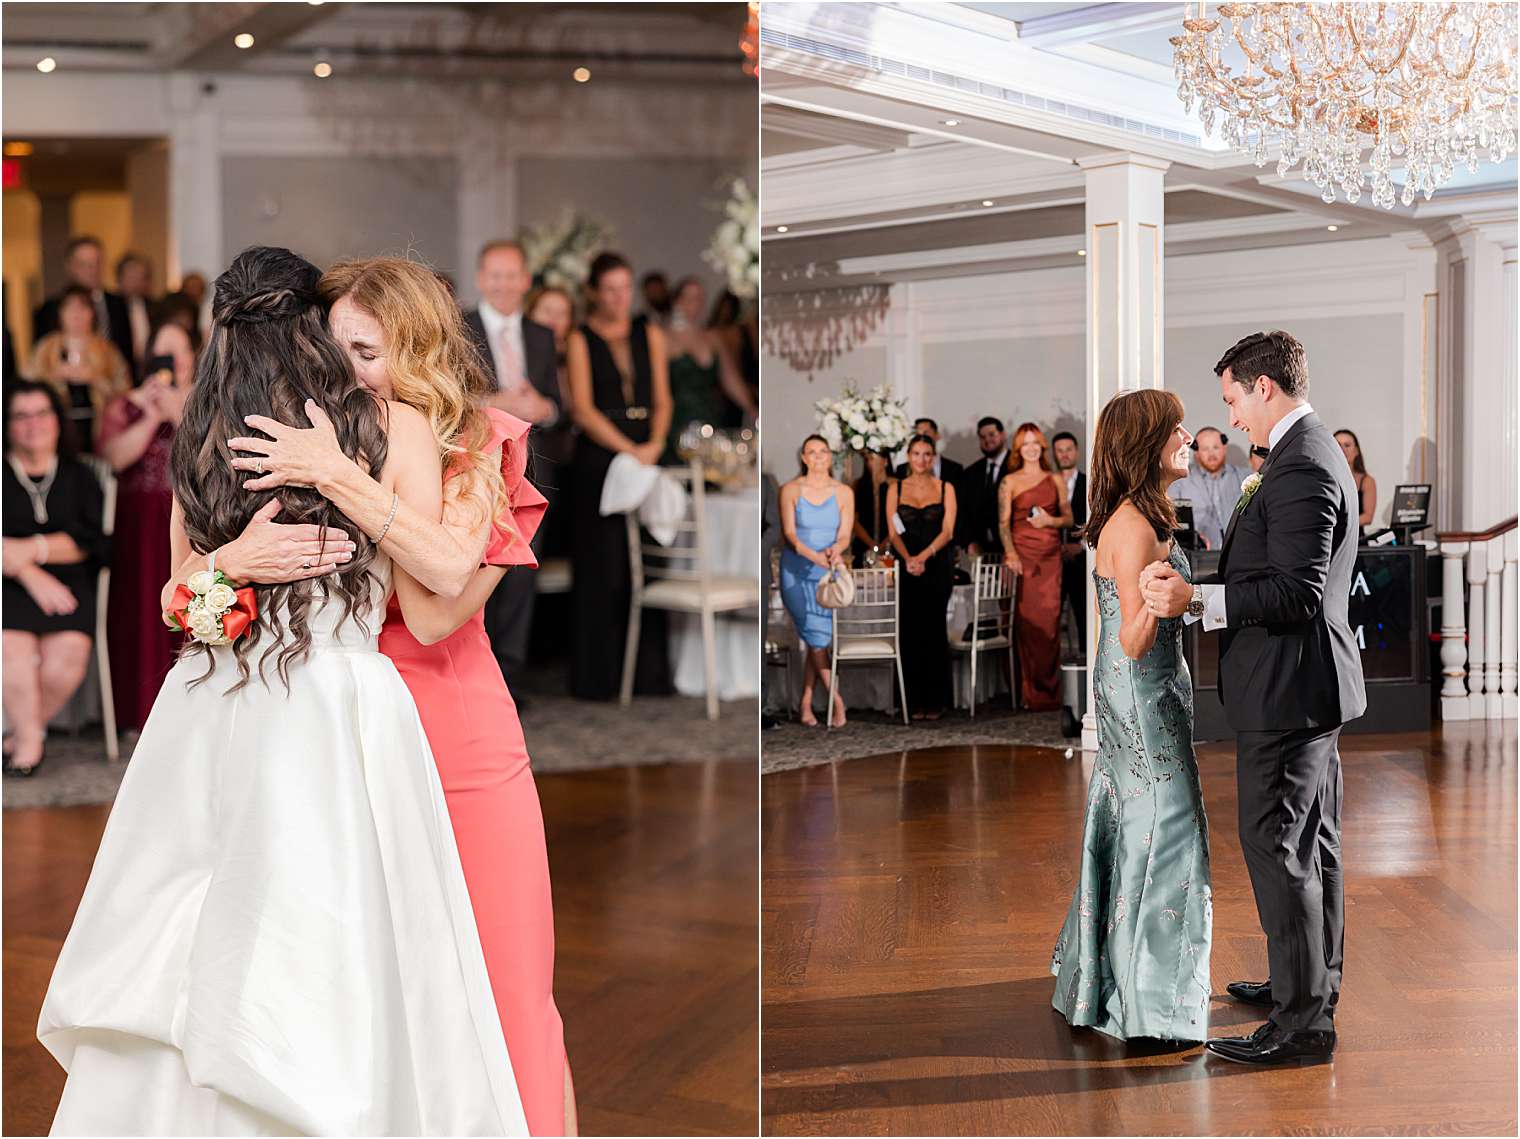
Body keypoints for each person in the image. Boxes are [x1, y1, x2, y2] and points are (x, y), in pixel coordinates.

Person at [37, 247, 532, 1134]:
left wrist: (325, 480)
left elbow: (442, 578)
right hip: (285, 707)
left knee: (242, 934)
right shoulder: (355, 429)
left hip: (257, 710)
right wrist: (233, 561)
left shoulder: (316, 430)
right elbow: (184, 601)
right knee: (310, 941)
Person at [219, 255, 574, 1134]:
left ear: (416, 351)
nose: (346, 373)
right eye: (331, 349)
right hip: (339, 746)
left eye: (367, 352)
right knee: (379, 1001)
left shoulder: (490, 449)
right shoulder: (330, 434)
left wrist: (343, 474)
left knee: (510, 988)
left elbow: (427, 613)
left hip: (458, 745)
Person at [1145, 330, 1366, 1066]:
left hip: (1289, 690)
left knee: (1280, 848)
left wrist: (1196, 600)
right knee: (1311, 845)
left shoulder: (1301, 464)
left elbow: (1298, 591)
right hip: (1302, 687)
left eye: (1233, 398)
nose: (1233, 416)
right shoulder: (1305, 455)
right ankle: (1306, 985)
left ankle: (1303, 1024)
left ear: (1263, 387)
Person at [1051, 388, 1210, 1044]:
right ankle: (1154, 1005)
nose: (1186, 439)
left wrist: (1184, 598)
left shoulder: (1134, 515)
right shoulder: (1138, 526)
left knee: (1133, 816)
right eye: (1175, 430)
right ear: (1147, 445)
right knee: (1168, 828)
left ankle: (1111, 982)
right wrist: (1166, 597)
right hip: (1142, 691)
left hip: (1135, 690)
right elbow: (1132, 637)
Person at [566, 251, 674, 701]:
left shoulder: (648, 332)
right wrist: (627, 449)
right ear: (594, 291)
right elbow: (583, 409)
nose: (619, 297)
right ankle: (599, 678)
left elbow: (664, 399)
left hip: (647, 450)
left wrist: (653, 446)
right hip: (601, 456)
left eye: (625, 287)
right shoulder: (579, 338)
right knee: (604, 567)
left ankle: (650, 676)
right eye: (610, 288)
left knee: (651, 561)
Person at [462, 240, 561, 691]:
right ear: (482, 278)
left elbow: (557, 406)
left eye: (512, 275)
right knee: (475, 567)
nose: (503, 283)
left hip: (532, 468)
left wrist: (544, 407)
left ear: (526, 280)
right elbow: (448, 396)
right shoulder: (459, 327)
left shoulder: (541, 335)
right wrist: (498, 403)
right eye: (495, 275)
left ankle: (512, 678)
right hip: (475, 465)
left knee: (521, 571)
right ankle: (475, 671)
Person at [2, 382, 110, 777]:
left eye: (42, 413)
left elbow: (93, 541)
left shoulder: (79, 475)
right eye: (21, 416)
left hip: (68, 586)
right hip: (7, 589)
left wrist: (28, 551)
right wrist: (30, 575)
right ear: (8, 425)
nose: (34, 424)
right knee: (10, 647)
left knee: (68, 655)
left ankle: (18, 735)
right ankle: (30, 745)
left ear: (57, 420)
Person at [96, 319, 195, 732]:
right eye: (162, 352)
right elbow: (114, 458)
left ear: (191, 358)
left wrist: (179, 412)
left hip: (186, 519)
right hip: (137, 524)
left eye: (179, 353)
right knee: (137, 609)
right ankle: (137, 710)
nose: (170, 362)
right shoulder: (124, 404)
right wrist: (153, 416)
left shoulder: (204, 402)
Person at [998, 423, 1072, 712]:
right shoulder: (1009, 481)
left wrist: (1049, 521)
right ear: (1018, 449)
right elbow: (1003, 524)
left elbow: (1068, 518)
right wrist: (1010, 553)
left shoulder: (1054, 479)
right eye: (1024, 444)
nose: (1030, 448)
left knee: (1050, 623)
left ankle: (1050, 692)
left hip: (1050, 558)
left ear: (1042, 446)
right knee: (1027, 625)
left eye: (1035, 443)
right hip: (1022, 557)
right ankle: (1029, 692)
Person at [779, 435, 852, 727]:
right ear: (804, 458)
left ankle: (805, 703)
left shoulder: (844, 491)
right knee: (816, 637)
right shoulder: (790, 489)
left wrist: (837, 550)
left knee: (816, 639)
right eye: (812, 452)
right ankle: (838, 701)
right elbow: (790, 535)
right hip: (796, 570)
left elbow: (845, 533)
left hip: (826, 573)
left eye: (824, 451)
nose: (819, 456)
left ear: (830, 456)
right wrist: (814, 556)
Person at [888, 433, 958, 720]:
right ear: (908, 456)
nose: (921, 459)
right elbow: (893, 531)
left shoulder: (945, 488)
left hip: (936, 566)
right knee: (909, 631)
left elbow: (948, 530)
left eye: (927, 454)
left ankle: (935, 701)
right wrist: (908, 559)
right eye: (916, 453)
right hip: (907, 568)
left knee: (933, 630)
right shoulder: (896, 488)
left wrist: (924, 556)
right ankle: (911, 699)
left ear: (933, 457)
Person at [662, 276, 756, 463]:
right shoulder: (664, 338)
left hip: (708, 415)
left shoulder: (711, 338)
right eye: (689, 298)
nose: (694, 305)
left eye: (699, 299)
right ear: (677, 301)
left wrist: (751, 408)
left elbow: (730, 379)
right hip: (676, 417)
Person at [28, 284, 131, 454]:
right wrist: (54, 376)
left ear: (92, 313)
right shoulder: (46, 348)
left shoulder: (107, 351)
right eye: (69, 309)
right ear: (60, 314)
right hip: (57, 424)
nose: (76, 315)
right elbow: (28, 385)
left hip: (98, 426)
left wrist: (94, 379)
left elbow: (124, 391)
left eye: (82, 308)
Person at [32, 236, 134, 368]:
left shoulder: (119, 304)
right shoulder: (49, 309)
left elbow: (126, 355)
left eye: (97, 263)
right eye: (84, 264)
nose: (92, 270)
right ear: (70, 267)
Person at [1167, 426, 1247, 550]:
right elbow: (1171, 521)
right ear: (1196, 451)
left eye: (1216, 447)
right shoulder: (1180, 482)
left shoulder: (1245, 477)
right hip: (1197, 555)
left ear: (1224, 447)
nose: (1211, 454)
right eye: (1205, 449)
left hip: (1240, 551)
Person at [1051, 431, 1088, 648]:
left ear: (1076, 452)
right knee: (1051, 618)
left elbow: (1099, 521)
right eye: (1060, 451)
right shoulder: (1048, 485)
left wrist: (1081, 546)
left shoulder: (1089, 483)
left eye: (1068, 450)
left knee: (1083, 616)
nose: (1064, 455)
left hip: (1081, 562)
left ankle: (1084, 668)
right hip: (1051, 562)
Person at [959, 416, 1010, 559]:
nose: (987, 440)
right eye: (982, 437)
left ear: (1003, 434)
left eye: (992, 434)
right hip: (981, 552)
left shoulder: (1018, 467)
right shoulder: (971, 472)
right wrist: (969, 541)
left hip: (1013, 549)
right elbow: (963, 511)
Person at [849, 449, 893, 565]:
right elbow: (853, 520)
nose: (870, 463)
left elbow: (901, 520)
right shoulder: (858, 485)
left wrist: (885, 544)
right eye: (867, 460)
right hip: (864, 543)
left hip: (891, 543)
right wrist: (872, 544)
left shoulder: (895, 486)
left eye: (873, 458)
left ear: (885, 461)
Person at [116, 252, 155, 378]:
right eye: (131, 277)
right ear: (120, 278)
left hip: (149, 369)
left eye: (140, 277)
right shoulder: (112, 308)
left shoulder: (153, 306)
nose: (136, 282)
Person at [894, 417, 964, 486]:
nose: (922, 438)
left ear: (937, 435)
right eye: (918, 435)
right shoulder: (902, 470)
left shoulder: (955, 469)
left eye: (926, 433)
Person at [1335, 428, 1376, 530]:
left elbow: (1368, 517)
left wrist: (1339, 524)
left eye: (1347, 445)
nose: (1342, 450)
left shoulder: (1367, 481)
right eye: (1338, 445)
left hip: (1355, 540)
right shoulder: (1322, 479)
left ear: (1356, 451)